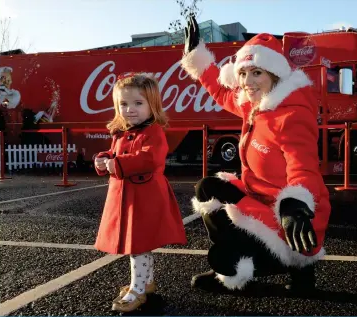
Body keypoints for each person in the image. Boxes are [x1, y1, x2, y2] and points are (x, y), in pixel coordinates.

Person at [180, 15, 331, 292]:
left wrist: (294, 205)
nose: (247, 82)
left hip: (289, 215)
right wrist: (198, 59)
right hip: (257, 198)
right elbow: (219, 90)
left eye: (257, 72)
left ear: (275, 75)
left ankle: (285, 267)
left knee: (226, 258)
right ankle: (287, 271)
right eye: (242, 73)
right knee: (208, 188)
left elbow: (304, 167)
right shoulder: (255, 106)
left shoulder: (291, 115)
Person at [94, 73, 187, 312]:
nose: (129, 110)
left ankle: (137, 289)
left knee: (138, 246)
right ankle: (146, 284)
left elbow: (149, 157)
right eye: (123, 104)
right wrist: (104, 159)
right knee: (139, 244)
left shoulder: (154, 132)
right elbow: (113, 153)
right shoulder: (121, 133)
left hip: (144, 200)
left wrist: (118, 164)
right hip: (130, 199)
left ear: (152, 105)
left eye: (138, 103)